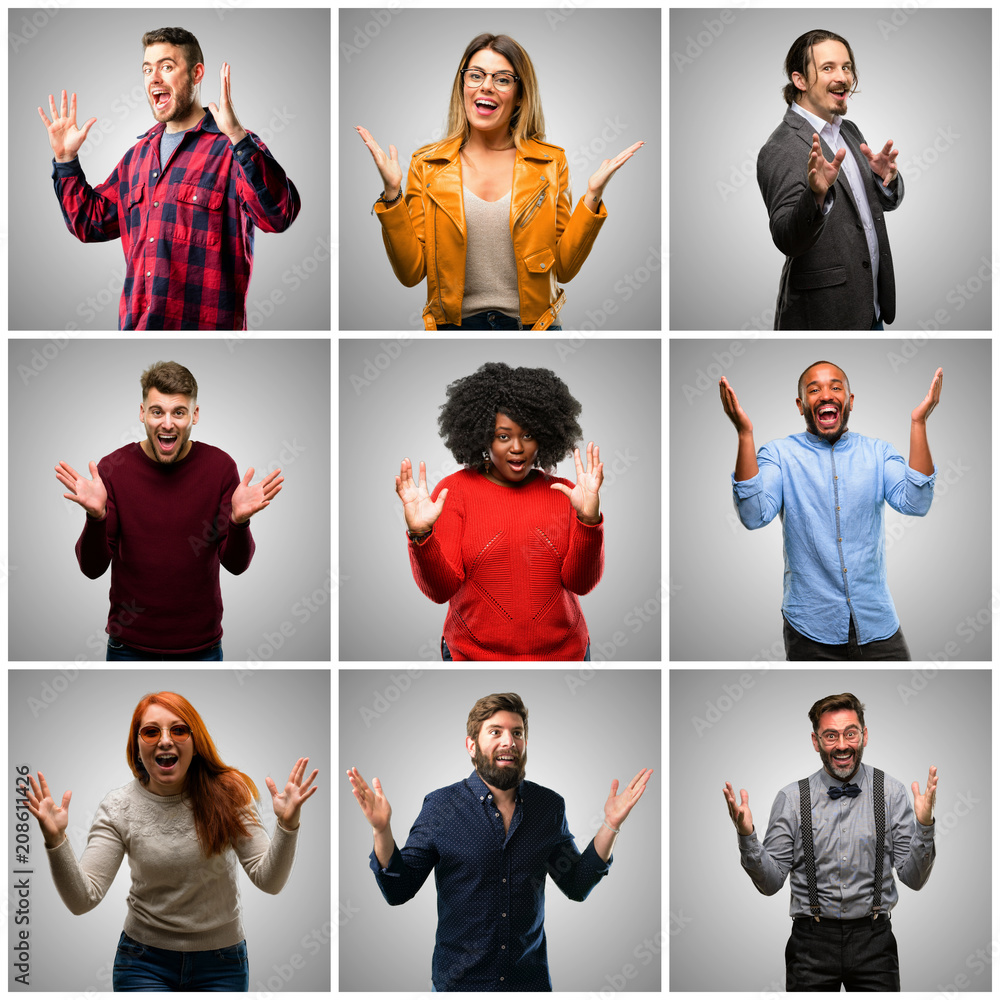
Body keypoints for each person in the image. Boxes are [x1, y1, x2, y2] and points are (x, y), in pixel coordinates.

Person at [348, 691, 652, 991]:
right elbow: (398, 889)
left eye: (517, 732)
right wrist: (381, 830)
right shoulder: (441, 806)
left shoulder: (548, 806)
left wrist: (610, 825)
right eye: (496, 732)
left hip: (528, 985)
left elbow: (576, 884)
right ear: (472, 745)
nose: (509, 741)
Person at [25, 690, 318, 992]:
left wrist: (287, 824)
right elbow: (82, 899)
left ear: (196, 744)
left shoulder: (230, 794)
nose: (165, 740)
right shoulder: (117, 807)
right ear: (137, 748)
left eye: (178, 730)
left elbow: (270, 881)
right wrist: (56, 839)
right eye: (151, 732)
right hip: (142, 963)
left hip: (222, 964)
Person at [356, 32, 643, 330]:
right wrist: (392, 195)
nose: (487, 86)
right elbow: (410, 273)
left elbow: (565, 268)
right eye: (476, 75)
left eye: (502, 79)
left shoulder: (549, 163)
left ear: (520, 95)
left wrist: (593, 196)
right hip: (453, 330)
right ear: (462, 85)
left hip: (534, 327)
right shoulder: (427, 165)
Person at [39, 26, 300, 330]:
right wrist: (66, 159)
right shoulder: (137, 156)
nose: (154, 77)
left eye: (166, 66)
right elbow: (89, 224)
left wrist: (239, 138)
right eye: (147, 69)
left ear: (196, 73)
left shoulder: (234, 147)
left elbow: (278, 216)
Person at [55, 360, 283, 660]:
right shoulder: (113, 470)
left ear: (195, 415)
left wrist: (240, 522)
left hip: (203, 648)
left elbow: (236, 565)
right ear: (142, 413)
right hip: (128, 648)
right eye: (157, 411)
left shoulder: (220, 468)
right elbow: (92, 569)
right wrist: (96, 517)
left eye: (179, 412)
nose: (167, 423)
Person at [720, 360, 942, 660]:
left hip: (877, 624)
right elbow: (753, 515)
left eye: (835, 387)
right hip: (809, 628)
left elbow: (916, 503)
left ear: (849, 401)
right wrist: (744, 433)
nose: (825, 394)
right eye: (814, 390)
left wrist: (919, 423)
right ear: (801, 405)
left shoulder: (880, 452)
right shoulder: (778, 454)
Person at [723, 692, 936, 991]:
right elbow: (770, 883)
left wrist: (925, 826)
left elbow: (913, 879)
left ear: (864, 735)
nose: (842, 745)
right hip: (810, 945)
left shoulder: (892, 792)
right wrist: (747, 835)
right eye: (830, 735)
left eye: (851, 733)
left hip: (875, 942)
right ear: (815, 741)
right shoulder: (792, 799)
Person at [396, 362, 603, 660]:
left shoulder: (567, 493)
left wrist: (588, 520)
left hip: (564, 655)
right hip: (472, 656)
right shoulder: (454, 492)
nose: (517, 447)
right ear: (483, 438)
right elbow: (441, 591)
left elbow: (581, 585)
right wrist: (420, 534)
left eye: (528, 435)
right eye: (503, 436)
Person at [757, 29, 903, 329]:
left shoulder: (848, 130)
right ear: (799, 80)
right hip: (826, 318)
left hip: (870, 309)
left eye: (846, 67)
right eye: (828, 68)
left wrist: (886, 180)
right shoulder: (781, 147)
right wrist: (816, 196)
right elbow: (787, 239)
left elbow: (868, 208)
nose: (843, 77)